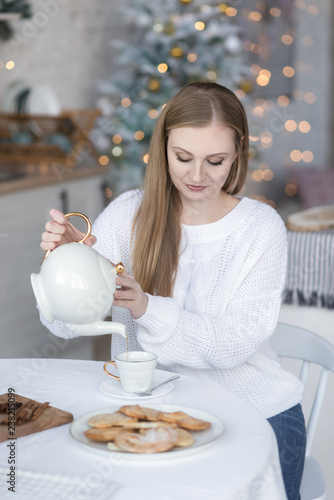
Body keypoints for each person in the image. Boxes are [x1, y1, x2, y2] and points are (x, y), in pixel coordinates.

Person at [40, 82, 306, 499]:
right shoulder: (129, 214)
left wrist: (147, 308)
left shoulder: (260, 229)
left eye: (215, 160)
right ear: (163, 150)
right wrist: (67, 269)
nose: (197, 176)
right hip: (149, 416)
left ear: (238, 153)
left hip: (258, 416)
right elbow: (64, 327)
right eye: (183, 158)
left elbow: (233, 345)